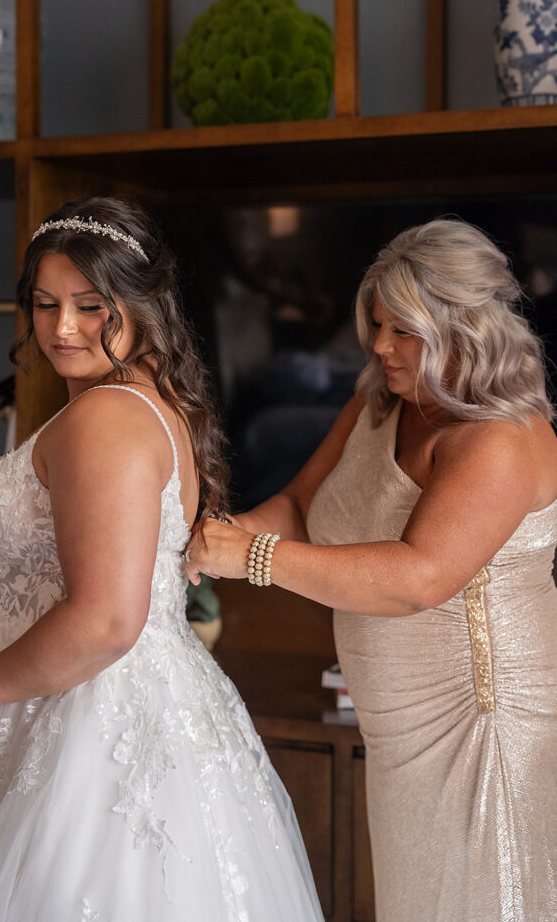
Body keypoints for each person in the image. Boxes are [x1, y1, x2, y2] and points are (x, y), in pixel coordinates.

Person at [0, 197, 323, 921]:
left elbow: (106, 620)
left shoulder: (108, 419)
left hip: (91, 723)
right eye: (44, 303)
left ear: (140, 303)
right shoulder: (143, 403)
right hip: (96, 707)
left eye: (91, 306)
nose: (63, 328)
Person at [186, 218, 557, 922]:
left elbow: (418, 578)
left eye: (402, 331)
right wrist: (211, 540)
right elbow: (299, 506)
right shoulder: (378, 403)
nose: (379, 346)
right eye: (377, 325)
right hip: (395, 728)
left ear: (467, 328)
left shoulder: (499, 440)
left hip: (481, 726)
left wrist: (249, 560)